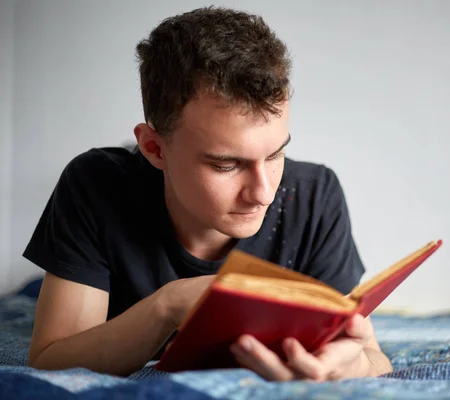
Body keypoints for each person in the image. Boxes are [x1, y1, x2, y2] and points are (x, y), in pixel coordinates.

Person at [23, 6, 393, 381]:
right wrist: (169, 306)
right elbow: (51, 358)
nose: (263, 193)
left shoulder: (314, 195)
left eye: (276, 153)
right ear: (155, 149)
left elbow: (375, 359)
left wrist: (351, 366)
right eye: (226, 165)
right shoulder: (96, 185)